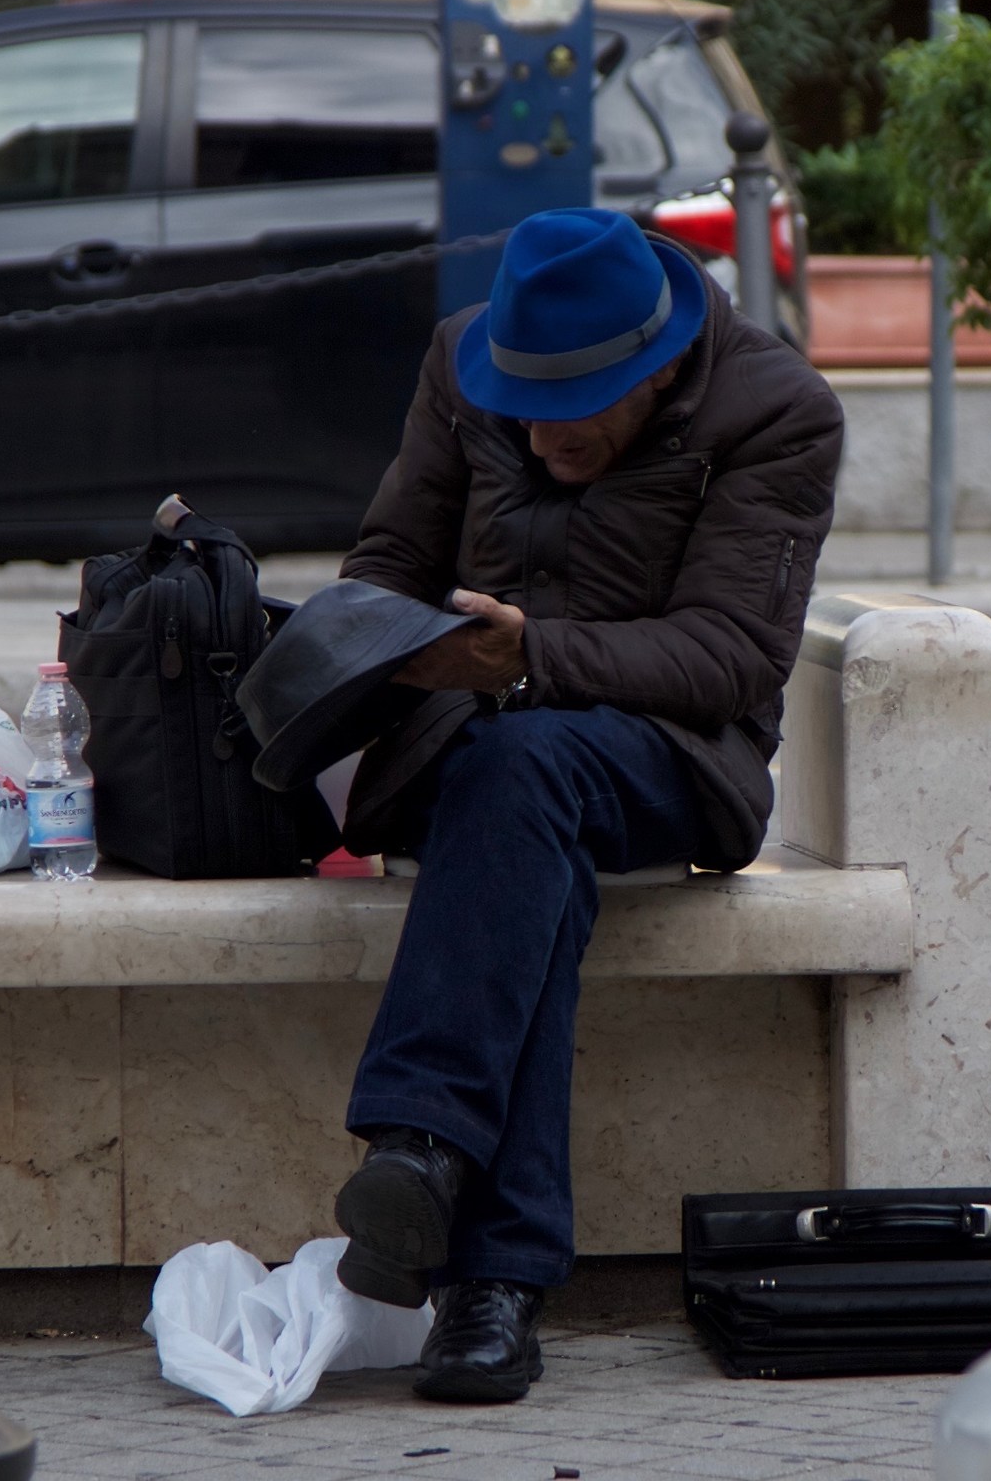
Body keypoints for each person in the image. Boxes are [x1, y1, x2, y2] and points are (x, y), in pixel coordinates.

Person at [329, 204, 843, 1403]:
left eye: (577, 412)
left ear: (657, 371)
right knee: (520, 830)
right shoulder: (466, 369)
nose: (542, 434)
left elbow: (730, 657)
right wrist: (399, 646)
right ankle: (490, 1288)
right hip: (473, 758)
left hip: (669, 757)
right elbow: (384, 570)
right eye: (525, 407)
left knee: (531, 770)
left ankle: (423, 1143)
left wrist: (533, 659)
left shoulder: (775, 410)